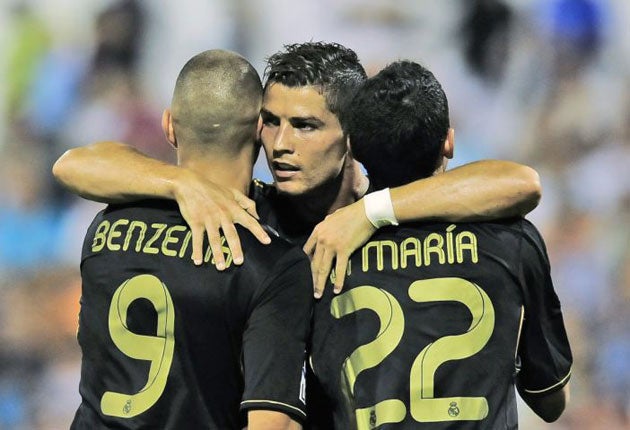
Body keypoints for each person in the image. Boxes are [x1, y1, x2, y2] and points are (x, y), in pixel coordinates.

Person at [53, 42, 542, 299]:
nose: (280, 145)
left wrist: (368, 214)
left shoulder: (390, 215)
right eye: (270, 122)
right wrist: (178, 180)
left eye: (305, 126)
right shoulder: (244, 210)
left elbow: (520, 183)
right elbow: (74, 165)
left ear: (351, 136)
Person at [308, 60, 572, 429]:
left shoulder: (323, 254)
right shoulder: (512, 242)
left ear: (355, 149)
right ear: (449, 141)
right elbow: (550, 400)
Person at [66, 50, 312, 430]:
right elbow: (273, 425)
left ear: (169, 125)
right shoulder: (270, 260)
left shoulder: (104, 228)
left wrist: (179, 182)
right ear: (260, 129)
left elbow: (76, 163)